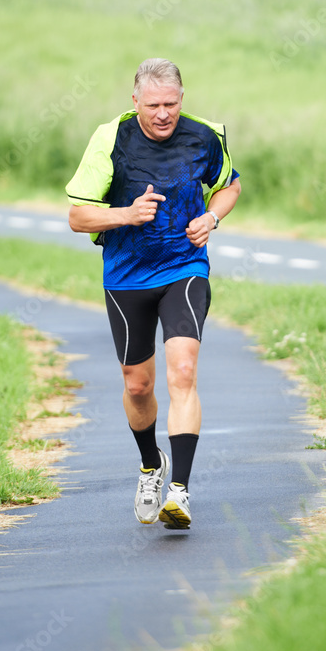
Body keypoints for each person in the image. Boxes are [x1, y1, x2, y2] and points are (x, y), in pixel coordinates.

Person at [66, 58, 241, 530]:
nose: (163, 114)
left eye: (172, 103)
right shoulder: (111, 139)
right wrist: (126, 215)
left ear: (183, 98)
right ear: (135, 101)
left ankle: (180, 492)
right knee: (137, 384)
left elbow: (230, 185)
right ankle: (150, 465)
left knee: (183, 371)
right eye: (153, 105)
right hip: (126, 276)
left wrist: (212, 218)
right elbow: (78, 217)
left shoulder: (203, 136)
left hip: (184, 267)